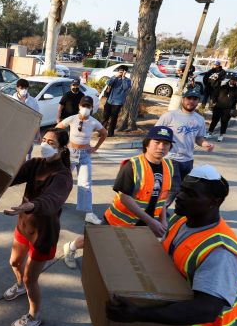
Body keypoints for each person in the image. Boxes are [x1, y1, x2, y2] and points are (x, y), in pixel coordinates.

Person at [90, 164, 237, 326]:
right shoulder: (184, 219)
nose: (180, 197)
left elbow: (206, 310)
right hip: (171, 314)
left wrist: (139, 313)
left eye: (191, 194)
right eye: (182, 189)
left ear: (214, 202)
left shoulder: (220, 253)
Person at [63, 126, 174, 268]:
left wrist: (163, 219)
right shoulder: (132, 165)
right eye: (157, 142)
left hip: (146, 224)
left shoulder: (169, 166)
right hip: (120, 220)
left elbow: (163, 196)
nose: (161, 147)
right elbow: (124, 198)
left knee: (127, 251)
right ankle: (71, 247)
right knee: (94, 240)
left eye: (166, 144)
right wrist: (152, 222)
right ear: (147, 143)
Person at [2, 129, 74, 326]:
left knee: (30, 279)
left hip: (43, 234)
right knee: (14, 262)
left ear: (61, 148)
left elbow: (52, 200)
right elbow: (12, 176)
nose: (45, 144)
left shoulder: (63, 175)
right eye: (43, 140)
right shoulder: (35, 164)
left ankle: (34, 315)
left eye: (51, 142)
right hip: (25, 225)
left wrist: (31, 205)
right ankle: (19, 286)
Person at [156, 89, 214, 206]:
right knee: (173, 189)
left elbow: (199, 138)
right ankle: (157, 213)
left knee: (183, 190)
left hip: (188, 160)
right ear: (183, 99)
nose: (191, 101)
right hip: (170, 158)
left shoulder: (199, 119)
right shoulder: (170, 116)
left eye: (194, 99)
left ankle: (169, 212)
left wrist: (205, 144)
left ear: (198, 101)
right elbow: (155, 134)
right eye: (189, 98)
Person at [56, 95, 107, 225]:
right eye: (83, 106)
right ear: (79, 106)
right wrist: (62, 144)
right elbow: (58, 127)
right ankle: (56, 203)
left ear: (92, 108)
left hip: (85, 155)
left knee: (85, 184)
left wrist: (96, 147)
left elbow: (104, 133)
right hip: (70, 154)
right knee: (63, 180)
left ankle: (88, 213)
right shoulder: (72, 119)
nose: (85, 108)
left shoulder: (94, 122)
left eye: (88, 106)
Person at [207, 77, 237, 142]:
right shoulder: (223, 87)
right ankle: (209, 133)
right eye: (232, 79)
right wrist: (213, 101)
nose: (232, 81)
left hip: (228, 109)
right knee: (214, 121)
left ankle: (221, 135)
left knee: (224, 122)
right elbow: (215, 94)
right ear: (229, 80)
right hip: (218, 107)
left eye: (235, 81)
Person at [13, 78, 40, 160]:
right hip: (16, 131)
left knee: (28, 152)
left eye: (25, 88)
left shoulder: (33, 101)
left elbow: (37, 118)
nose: (24, 90)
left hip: (28, 131)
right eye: (21, 88)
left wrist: (38, 133)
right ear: (17, 88)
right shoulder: (12, 100)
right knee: (16, 153)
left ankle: (27, 168)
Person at [102, 67, 131, 137]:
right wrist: (115, 76)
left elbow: (125, 88)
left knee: (113, 118)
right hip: (109, 100)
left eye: (122, 71)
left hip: (118, 102)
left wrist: (123, 78)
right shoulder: (114, 78)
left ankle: (110, 133)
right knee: (105, 116)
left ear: (125, 72)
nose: (120, 72)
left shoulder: (127, 80)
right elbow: (108, 83)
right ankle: (102, 131)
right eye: (119, 71)